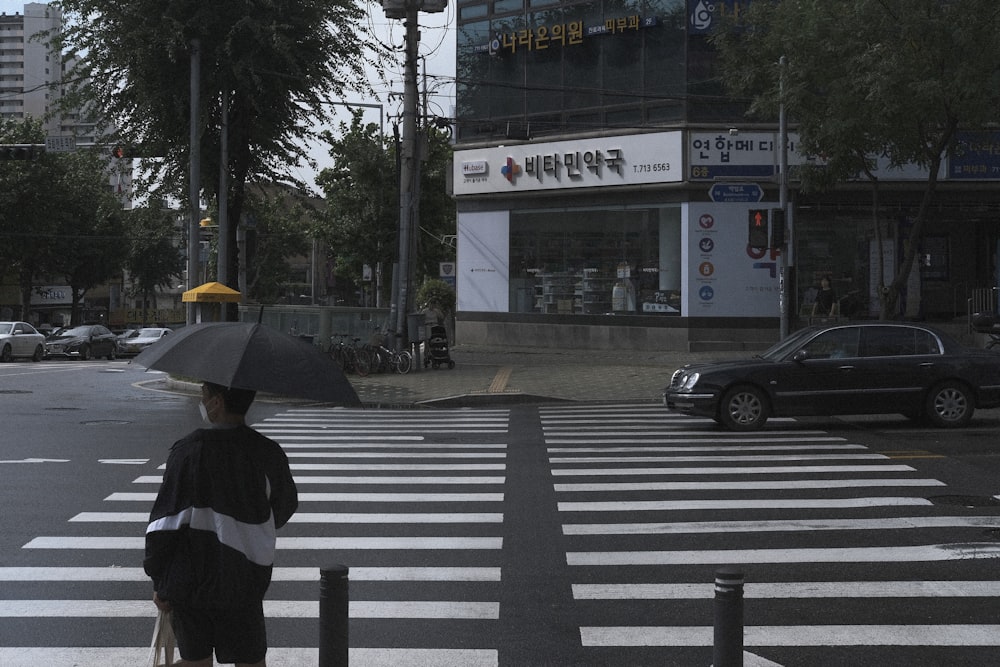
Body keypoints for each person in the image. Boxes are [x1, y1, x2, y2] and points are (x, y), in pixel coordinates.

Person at [144, 382, 298, 667]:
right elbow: (284, 509)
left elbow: (164, 525)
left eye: (203, 396)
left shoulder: (188, 452)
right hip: (244, 580)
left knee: (196, 661)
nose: (201, 402)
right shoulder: (267, 454)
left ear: (216, 403)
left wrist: (159, 580)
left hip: (190, 582)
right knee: (251, 661)